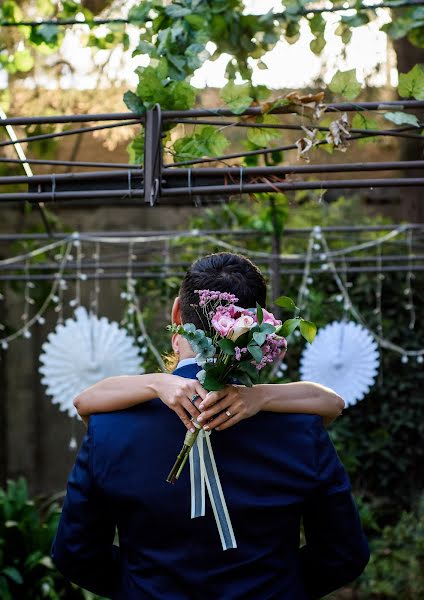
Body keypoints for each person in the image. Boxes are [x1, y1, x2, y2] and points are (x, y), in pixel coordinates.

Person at [51, 252, 370, 600]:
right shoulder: (300, 429)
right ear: (260, 327)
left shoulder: (110, 428)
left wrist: (138, 587)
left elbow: (75, 553)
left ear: (176, 314)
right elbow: (344, 553)